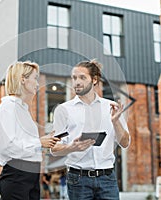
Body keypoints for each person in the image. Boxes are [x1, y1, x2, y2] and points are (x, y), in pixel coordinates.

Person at [51, 60, 130, 200]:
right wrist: (71, 147)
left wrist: (115, 122)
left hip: (107, 179)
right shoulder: (63, 110)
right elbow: (54, 148)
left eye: (82, 77)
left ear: (94, 80)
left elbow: (125, 143)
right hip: (78, 180)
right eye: (74, 78)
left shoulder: (111, 107)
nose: (77, 82)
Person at [0, 61, 60, 200]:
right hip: (17, 176)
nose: (37, 83)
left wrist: (47, 141)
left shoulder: (22, 109)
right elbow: (8, 146)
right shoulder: (8, 106)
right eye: (35, 78)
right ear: (23, 79)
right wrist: (39, 143)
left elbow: (25, 144)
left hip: (31, 175)